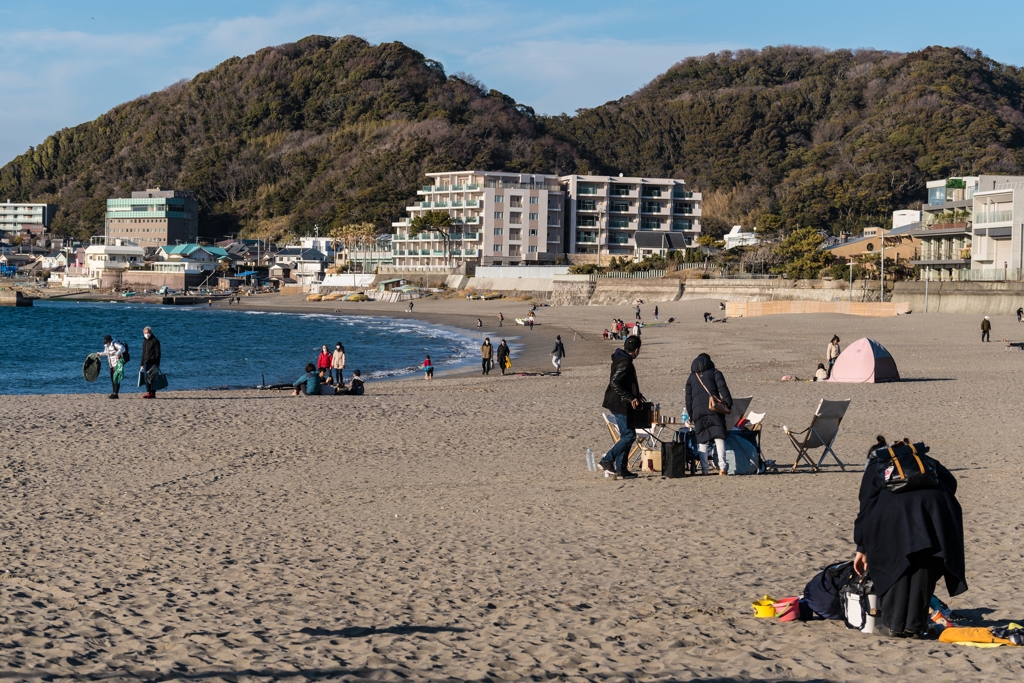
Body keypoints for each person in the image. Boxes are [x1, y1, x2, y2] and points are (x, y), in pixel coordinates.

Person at [854, 437, 967, 638]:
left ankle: (894, 625)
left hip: (893, 517)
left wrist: (861, 547)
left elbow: (866, 507)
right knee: (925, 566)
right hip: (937, 515)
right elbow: (951, 481)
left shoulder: (876, 464)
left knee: (894, 567)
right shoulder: (922, 459)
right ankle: (915, 626)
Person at [599, 336, 644, 480]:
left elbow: (625, 383)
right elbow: (615, 383)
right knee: (630, 436)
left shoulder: (621, 358)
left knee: (627, 436)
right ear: (636, 350)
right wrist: (630, 397)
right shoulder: (625, 362)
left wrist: (636, 394)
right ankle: (607, 460)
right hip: (619, 403)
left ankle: (621, 468)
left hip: (619, 402)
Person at [685, 353, 733, 475]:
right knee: (719, 437)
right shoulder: (715, 372)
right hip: (714, 408)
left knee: (703, 440)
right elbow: (723, 388)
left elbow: (688, 399)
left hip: (698, 411)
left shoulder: (691, 377)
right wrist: (728, 404)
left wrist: (691, 415)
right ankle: (722, 467)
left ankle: (705, 470)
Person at [98, 335, 126, 399]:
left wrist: (117, 354)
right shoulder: (106, 345)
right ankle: (114, 393)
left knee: (116, 378)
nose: (106, 343)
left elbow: (123, 348)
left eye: (107, 341)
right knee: (112, 379)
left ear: (110, 340)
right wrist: (99, 354)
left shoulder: (115, 343)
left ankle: (115, 393)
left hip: (117, 364)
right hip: (111, 364)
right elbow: (106, 353)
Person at [140, 326, 161, 399]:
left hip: (153, 362)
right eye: (145, 333)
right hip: (146, 362)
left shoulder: (155, 341)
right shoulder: (144, 342)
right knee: (146, 378)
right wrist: (141, 364)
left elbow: (158, 353)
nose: (147, 334)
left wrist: (157, 364)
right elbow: (143, 353)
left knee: (153, 378)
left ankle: (153, 393)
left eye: (148, 332)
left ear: (151, 332)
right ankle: (148, 392)